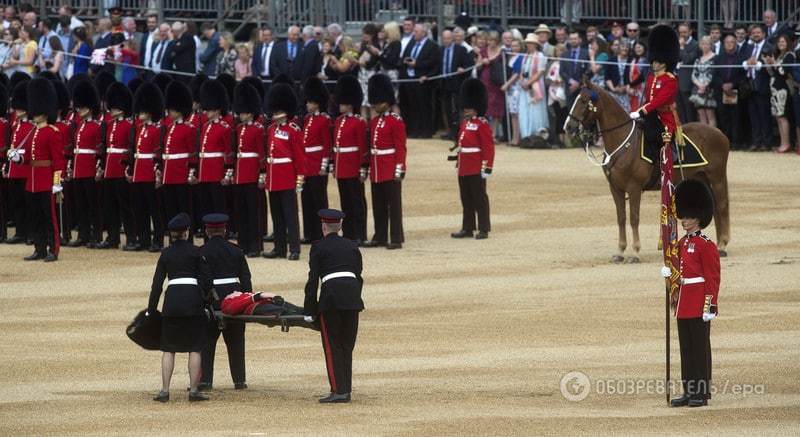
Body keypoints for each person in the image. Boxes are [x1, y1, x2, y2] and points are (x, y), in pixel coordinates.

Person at [147, 212, 212, 403]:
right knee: (195, 348)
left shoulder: (166, 254)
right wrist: (202, 297)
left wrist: (151, 309)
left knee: (169, 348)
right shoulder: (195, 252)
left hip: (172, 301)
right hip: (192, 301)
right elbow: (207, 280)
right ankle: (193, 390)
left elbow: (157, 285)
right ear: (186, 232)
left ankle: (165, 390)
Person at [303, 208, 365, 404]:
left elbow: (313, 281)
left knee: (333, 346)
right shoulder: (352, 246)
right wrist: (355, 297)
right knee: (347, 346)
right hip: (352, 298)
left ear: (323, 226)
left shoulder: (318, 247)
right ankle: (345, 388)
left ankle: (339, 390)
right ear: (340, 226)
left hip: (331, 298)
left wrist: (309, 310)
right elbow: (358, 274)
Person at [669, 179, 720, 408]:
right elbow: (679, 270)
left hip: (699, 301)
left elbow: (712, 278)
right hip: (684, 302)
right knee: (687, 350)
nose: (684, 221)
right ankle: (689, 391)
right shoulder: (680, 243)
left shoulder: (706, 245)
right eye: (683, 216)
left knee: (700, 349)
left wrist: (710, 305)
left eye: (688, 217)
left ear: (698, 218)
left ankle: (701, 392)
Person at [199, 213, 251, 391]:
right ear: (225, 230)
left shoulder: (202, 252)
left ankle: (205, 380)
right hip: (234, 301)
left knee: (206, 343)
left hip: (212, 303)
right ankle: (239, 380)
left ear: (207, 231)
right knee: (236, 342)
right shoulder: (236, 251)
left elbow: (201, 282)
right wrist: (246, 300)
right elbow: (246, 280)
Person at [15, 78, 65, 261]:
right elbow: (28, 158)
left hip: (46, 181)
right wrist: (18, 158)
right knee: (35, 217)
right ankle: (39, 248)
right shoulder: (33, 132)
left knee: (49, 218)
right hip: (33, 181)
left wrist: (57, 183)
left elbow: (58, 161)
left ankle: (54, 249)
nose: (35, 114)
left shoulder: (52, 132)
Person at [362, 74, 406, 250]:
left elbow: (400, 147)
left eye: (378, 103)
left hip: (389, 167)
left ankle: (396, 237)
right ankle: (379, 236)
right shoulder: (374, 122)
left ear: (387, 102)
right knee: (378, 204)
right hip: (377, 168)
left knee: (393, 205)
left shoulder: (395, 121)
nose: (375, 106)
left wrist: (399, 168)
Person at [262, 83, 304, 261]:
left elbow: (300, 157)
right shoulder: (271, 129)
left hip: (287, 177)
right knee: (277, 216)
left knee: (290, 216)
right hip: (274, 177)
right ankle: (279, 248)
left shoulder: (293, 130)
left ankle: (294, 248)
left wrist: (299, 179)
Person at [450, 78, 494, 240]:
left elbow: (488, 147)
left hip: (476, 166)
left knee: (479, 198)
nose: (465, 110)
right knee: (466, 198)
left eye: (468, 108)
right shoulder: (464, 124)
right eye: (465, 108)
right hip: (464, 166)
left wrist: (486, 166)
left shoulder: (482, 124)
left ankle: (483, 228)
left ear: (476, 108)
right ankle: (467, 227)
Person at [628, 25, 679, 160]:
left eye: (657, 61)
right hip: (651, 114)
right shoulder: (651, 77)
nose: (654, 64)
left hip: (665, 117)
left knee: (660, 137)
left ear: (665, 62)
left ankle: (670, 157)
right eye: (654, 61)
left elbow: (659, 101)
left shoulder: (670, 79)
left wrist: (642, 111)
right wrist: (640, 110)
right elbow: (648, 100)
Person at [128, 82, 165, 253]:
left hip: (150, 173)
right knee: (139, 209)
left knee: (154, 209)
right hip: (138, 172)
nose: (140, 113)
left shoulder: (157, 129)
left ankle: (157, 240)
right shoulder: (138, 128)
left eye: (143, 110)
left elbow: (157, 153)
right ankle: (143, 239)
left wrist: (157, 173)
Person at [98, 82, 135, 250]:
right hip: (110, 170)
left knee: (126, 207)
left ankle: (131, 237)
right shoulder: (109, 125)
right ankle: (113, 238)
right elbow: (106, 148)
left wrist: (127, 166)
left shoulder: (128, 125)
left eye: (113, 107)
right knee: (110, 206)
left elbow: (130, 148)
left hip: (120, 169)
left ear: (120, 108)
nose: (110, 110)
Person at [332, 75, 368, 244]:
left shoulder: (359, 122)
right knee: (345, 202)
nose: (340, 105)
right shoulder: (338, 121)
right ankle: (349, 233)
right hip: (342, 167)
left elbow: (362, 147)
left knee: (357, 201)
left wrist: (363, 168)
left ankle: (360, 233)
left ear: (350, 103)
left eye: (343, 103)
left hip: (353, 167)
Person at [67, 80, 103, 248]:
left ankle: (96, 235)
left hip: (89, 169)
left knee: (93, 205)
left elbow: (99, 151)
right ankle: (83, 234)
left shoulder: (96, 126)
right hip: (78, 170)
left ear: (89, 108)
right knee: (81, 205)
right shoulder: (79, 125)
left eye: (81, 107)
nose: (78, 110)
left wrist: (97, 169)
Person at [231, 82, 266, 257]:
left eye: (243, 112)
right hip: (240, 174)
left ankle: (256, 245)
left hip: (252, 174)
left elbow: (261, 154)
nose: (240, 114)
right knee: (241, 211)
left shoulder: (258, 130)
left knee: (254, 212)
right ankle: (243, 243)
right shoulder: (239, 129)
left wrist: (262, 174)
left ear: (250, 112)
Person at [161, 81, 196, 239]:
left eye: (173, 109)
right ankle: (174, 238)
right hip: (169, 174)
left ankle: (187, 239)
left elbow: (192, 153)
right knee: (171, 208)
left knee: (184, 209)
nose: (170, 112)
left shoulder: (189, 129)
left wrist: (191, 173)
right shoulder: (169, 128)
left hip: (181, 174)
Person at [196, 79, 232, 227]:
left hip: (217, 172)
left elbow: (228, 152)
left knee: (219, 206)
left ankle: (222, 233)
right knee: (206, 206)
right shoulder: (205, 126)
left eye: (210, 109)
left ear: (217, 109)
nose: (207, 112)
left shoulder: (224, 127)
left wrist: (227, 174)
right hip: (204, 172)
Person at [300, 77, 332, 244]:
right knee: (307, 200)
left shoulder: (324, 119)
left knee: (320, 200)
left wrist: (324, 166)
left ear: (317, 103)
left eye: (310, 102)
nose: (307, 105)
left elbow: (326, 145)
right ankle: (310, 233)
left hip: (317, 164)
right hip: (306, 166)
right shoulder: (307, 119)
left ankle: (322, 233)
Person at [5, 81, 33, 245]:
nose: (18, 111)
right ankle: (20, 231)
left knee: (28, 202)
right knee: (16, 202)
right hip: (15, 168)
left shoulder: (31, 126)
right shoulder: (16, 124)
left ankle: (30, 232)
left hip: (25, 167)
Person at [399, 23, 439, 139]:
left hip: (423, 79)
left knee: (424, 106)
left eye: (416, 31)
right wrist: (406, 61)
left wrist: (417, 64)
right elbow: (404, 56)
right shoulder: (412, 43)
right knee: (413, 105)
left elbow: (433, 63)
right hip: (410, 78)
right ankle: (415, 129)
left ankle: (426, 130)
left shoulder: (432, 46)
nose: (414, 33)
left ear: (423, 33)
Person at [741, 25, 773, 152]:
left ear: (763, 34)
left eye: (758, 32)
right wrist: (746, 63)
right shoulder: (748, 47)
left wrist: (758, 64)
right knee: (753, 116)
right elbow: (741, 61)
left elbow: (772, 66)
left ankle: (767, 142)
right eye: (753, 33)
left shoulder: (769, 47)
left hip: (763, 86)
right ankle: (756, 141)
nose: (756, 34)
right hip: (750, 87)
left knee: (764, 115)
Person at [440, 29, 473, 141]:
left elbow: (469, 65)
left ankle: (459, 132)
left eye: (448, 38)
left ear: (452, 39)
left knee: (458, 109)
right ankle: (450, 131)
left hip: (457, 83)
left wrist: (463, 69)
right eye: (444, 39)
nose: (446, 41)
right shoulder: (440, 50)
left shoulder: (461, 50)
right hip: (444, 83)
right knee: (447, 108)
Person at [713, 34, 745, 151]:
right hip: (721, 92)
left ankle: (736, 142)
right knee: (723, 117)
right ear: (723, 44)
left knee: (736, 118)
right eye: (727, 42)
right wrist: (723, 85)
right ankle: (726, 142)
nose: (729, 44)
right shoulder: (718, 58)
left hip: (735, 91)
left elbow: (743, 76)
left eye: (732, 42)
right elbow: (714, 75)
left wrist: (732, 84)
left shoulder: (741, 58)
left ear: (735, 43)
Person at [764, 34, 795, 153]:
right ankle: (782, 142)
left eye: (783, 42)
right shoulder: (779, 55)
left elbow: (783, 71)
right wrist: (768, 64)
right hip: (774, 90)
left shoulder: (789, 55)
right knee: (778, 117)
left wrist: (775, 63)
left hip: (782, 90)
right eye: (779, 42)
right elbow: (773, 73)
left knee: (782, 116)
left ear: (787, 43)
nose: (781, 44)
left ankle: (786, 143)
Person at [518, 34, 549, 143]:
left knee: (536, 109)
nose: (529, 45)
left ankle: (537, 136)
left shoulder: (540, 55)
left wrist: (529, 83)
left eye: (531, 43)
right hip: (525, 87)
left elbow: (540, 72)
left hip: (535, 86)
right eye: (527, 43)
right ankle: (525, 135)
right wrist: (522, 82)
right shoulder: (525, 56)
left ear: (536, 45)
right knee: (524, 109)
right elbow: (522, 71)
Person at [476, 31, 504, 137]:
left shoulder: (502, 52)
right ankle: (485, 133)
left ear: (497, 41)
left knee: (496, 109)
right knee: (485, 108)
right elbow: (477, 67)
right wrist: (482, 62)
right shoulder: (483, 51)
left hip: (496, 81)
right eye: (488, 40)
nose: (489, 42)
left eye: (492, 40)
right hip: (485, 81)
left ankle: (493, 134)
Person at [689, 36, 717, 128]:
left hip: (709, 89)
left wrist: (704, 86)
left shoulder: (715, 57)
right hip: (698, 89)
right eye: (703, 44)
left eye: (707, 44)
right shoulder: (698, 59)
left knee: (710, 115)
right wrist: (699, 85)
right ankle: (704, 139)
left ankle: (712, 138)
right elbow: (693, 74)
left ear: (711, 45)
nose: (705, 46)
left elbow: (712, 74)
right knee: (701, 115)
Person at [501, 37, 524, 146]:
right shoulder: (510, 57)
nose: (514, 48)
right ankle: (514, 137)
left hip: (516, 87)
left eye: (516, 46)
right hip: (511, 89)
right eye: (513, 46)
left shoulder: (520, 57)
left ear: (520, 47)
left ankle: (517, 138)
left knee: (516, 113)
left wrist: (507, 84)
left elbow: (516, 74)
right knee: (512, 113)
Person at [677, 23, 698, 124]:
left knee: (689, 111)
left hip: (688, 83)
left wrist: (681, 47)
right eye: (680, 32)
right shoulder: (676, 43)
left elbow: (688, 59)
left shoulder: (695, 45)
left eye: (684, 32)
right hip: (676, 81)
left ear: (690, 32)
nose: (682, 35)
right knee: (680, 111)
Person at [626, 41, 649, 112]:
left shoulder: (646, 60)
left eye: (639, 47)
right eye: (636, 47)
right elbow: (627, 73)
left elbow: (642, 76)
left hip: (643, 88)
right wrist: (629, 85)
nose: (637, 49)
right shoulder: (632, 60)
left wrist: (631, 84)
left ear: (644, 48)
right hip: (632, 89)